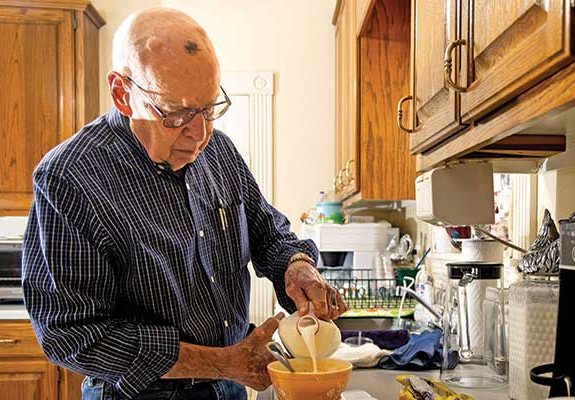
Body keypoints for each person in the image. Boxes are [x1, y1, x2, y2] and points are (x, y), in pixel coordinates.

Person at [21, 7, 347, 400]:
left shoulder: (219, 151)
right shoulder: (69, 177)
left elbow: (269, 234)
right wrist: (222, 361)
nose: (201, 133)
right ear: (123, 94)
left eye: (210, 109)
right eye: (177, 114)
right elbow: (70, 334)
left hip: (229, 389)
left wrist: (298, 268)